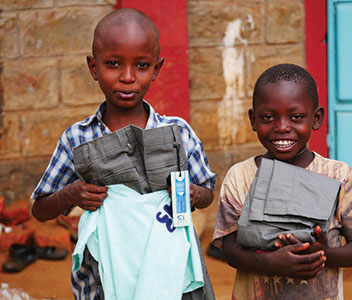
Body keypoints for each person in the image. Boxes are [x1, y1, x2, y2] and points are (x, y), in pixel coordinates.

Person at [31, 8, 216, 299]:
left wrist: (191, 194)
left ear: (157, 69)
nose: (127, 77)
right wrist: (71, 195)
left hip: (170, 274)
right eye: (113, 64)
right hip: (103, 281)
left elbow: (207, 192)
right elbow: (40, 209)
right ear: (94, 67)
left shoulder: (177, 132)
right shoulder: (78, 138)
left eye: (141, 66)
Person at [212, 63, 352, 300]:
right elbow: (230, 250)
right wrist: (270, 262)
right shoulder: (240, 176)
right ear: (253, 120)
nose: (282, 127)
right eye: (268, 117)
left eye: (296, 117)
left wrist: (326, 254)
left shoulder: (338, 176)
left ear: (316, 118)